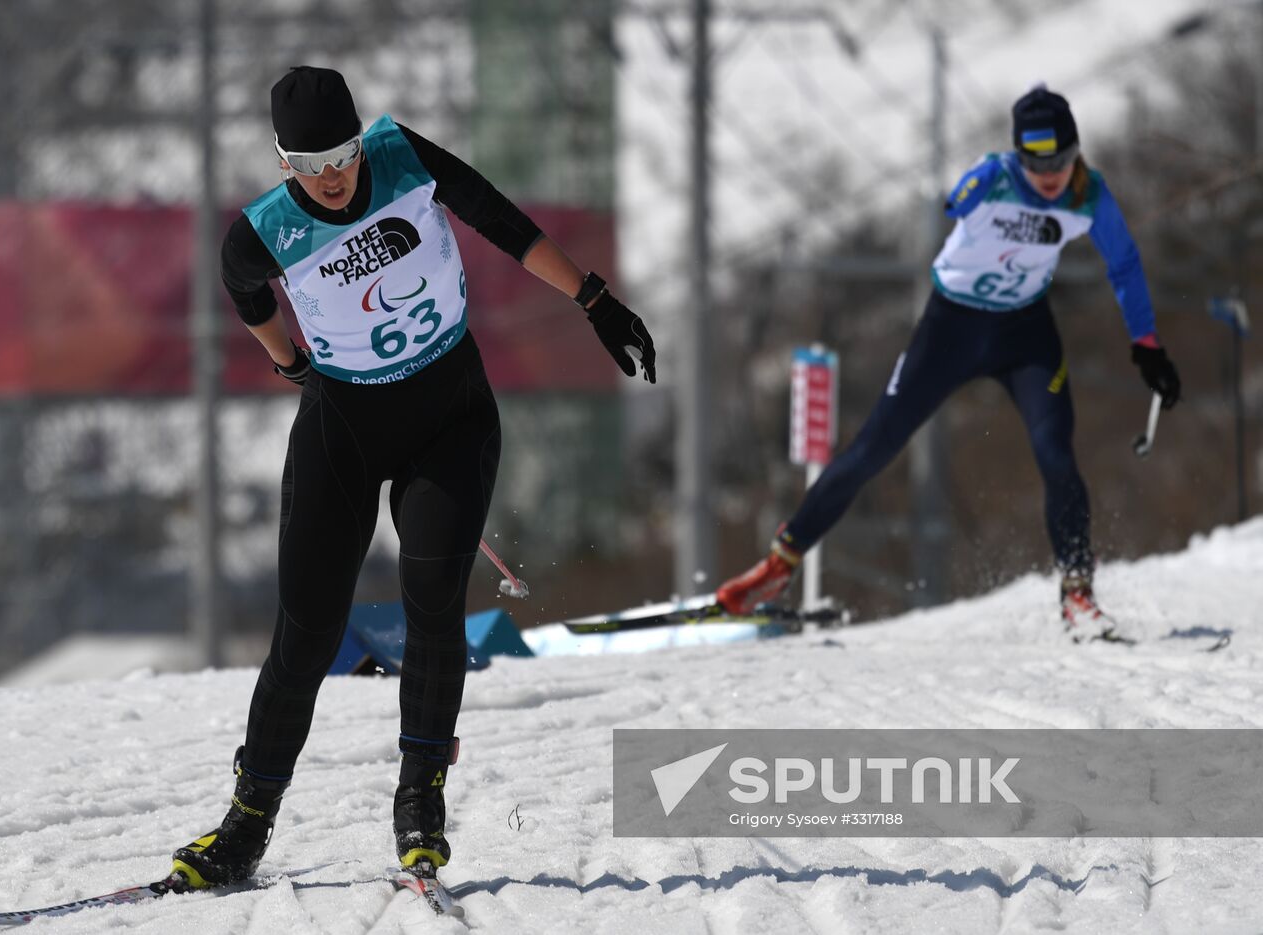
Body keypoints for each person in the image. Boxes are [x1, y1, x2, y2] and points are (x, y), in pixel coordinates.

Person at [169, 66, 656, 889]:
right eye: (311, 162)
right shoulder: (262, 231)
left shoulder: (402, 158)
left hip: (450, 419)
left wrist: (595, 298)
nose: (334, 175)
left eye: (344, 153)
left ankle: (419, 800)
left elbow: (500, 220)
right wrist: (291, 363)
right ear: (284, 162)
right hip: (344, 432)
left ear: (363, 140)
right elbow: (242, 291)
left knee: (434, 603)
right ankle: (246, 823)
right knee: (309, 631)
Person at [716, 85, 1180, 635]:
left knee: (1055, 453)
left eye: (1061, 159)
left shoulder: (1088, 196)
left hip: (1024, 333)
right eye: (1038, 163)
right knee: (874, 446)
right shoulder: (995, 179)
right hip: (951, 328)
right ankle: (779, 565)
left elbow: (1124, 265)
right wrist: (971, 188)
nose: (1051, 174)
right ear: (1018, 157)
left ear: (1076, 151)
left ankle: (1077, 593)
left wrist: (1145, 344)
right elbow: (953, 201)